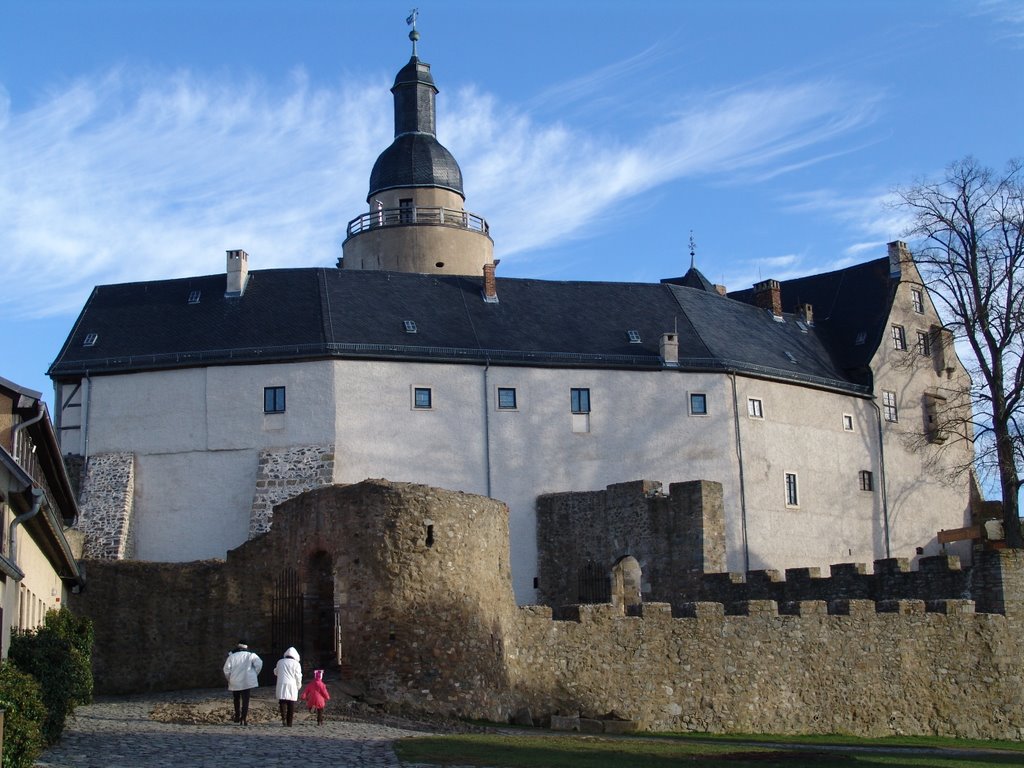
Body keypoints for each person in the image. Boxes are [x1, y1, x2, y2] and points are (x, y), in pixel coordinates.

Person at [223, 641, 262, 725]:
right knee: (245, 700)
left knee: (236, 699)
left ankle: (237, 716)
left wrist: (229, 679)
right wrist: (254, 674)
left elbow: (226, 670)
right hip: (247, 681)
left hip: (235, 681)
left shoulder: (232, 656)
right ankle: (243, 718)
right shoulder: (251, 655)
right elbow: (259, 664)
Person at [273, 647, 303, 727]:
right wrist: (299, 685)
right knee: (291, 703)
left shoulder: (280, 662)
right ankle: (289, 722)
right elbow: (298, 676)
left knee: (282, 702)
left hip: (281, 683)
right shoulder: (296, 664)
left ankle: (283, 719)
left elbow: (276, 672)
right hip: (292, 684)